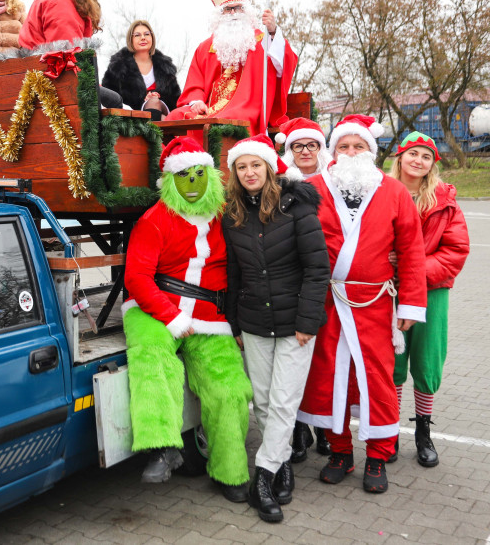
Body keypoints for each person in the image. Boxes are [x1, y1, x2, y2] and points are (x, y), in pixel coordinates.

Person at [297, 114, 427, 494]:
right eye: (343, 146)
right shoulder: (312, 188)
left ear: (372, 151)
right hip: (327, 300)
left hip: (374, 301)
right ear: (333, 151)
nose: (351, 152)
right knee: (328, 376)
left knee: (377, 378)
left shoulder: (394, 192)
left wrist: (410, 306)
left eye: (359, 146)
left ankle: (377, 454)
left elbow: (411, 252)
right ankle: (339, 452)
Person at [122, 136, 252, 503]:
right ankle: (162, 447)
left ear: (211, 175)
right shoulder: (154, 220)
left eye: (199, 174)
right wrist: (169, 316)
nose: (193, 184)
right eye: (184, 176)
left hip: (210, 315)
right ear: (170, 182)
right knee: (151, 358)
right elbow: (137, 279)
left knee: (230, 389)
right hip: (155, 306)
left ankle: (230, 471)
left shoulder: (226, 215)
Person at [222, 135, 329, 523]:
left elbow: (318, 269)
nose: (249, 172)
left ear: (269, 167)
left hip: (294, 324)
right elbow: (234, 273)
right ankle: (282, 464)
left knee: (284, 401)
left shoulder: (296, 207)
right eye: (241, 167)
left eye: (256, 165)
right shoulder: (231, 214)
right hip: (252, 321)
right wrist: (235, 322)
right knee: (264, 402)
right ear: (235, 173)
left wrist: (307, 320)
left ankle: (262, 478)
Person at [388, 132, 470, 467]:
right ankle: (388, 432)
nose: (418, 161)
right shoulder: (382, 191)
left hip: (430, 292)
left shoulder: (443, 200)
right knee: (391, 361)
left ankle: (423, 432)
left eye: (426, 156)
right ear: (400, 157)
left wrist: (414, 266)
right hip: (388, 291)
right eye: (413, 154)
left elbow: (456, 250)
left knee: (426, 361)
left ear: (432, 164)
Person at [166, 0, 297, 133]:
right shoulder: (206, 48)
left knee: (228, 120)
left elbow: (282, 65)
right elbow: (194, 84)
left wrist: (273, 31)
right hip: (208, 108)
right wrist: (196, 102)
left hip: (246, 107)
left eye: (238, 7)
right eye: (228, 9)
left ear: (247, 11)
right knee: (175, 116)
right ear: (220, 14)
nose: (234, 13)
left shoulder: (261, 42)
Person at [273, 117, 333, 460]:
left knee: (323, 360)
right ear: (290, 149)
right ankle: (297, 430)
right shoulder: (282, 184)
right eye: (298, 146)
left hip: (326, 280)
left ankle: (324, 427)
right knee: (293, 364)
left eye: (311, 145)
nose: (306, 151)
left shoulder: (335, 180)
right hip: (293, 281)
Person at [101, 20, 181, 119]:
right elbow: (109, 99)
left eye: (147, 34)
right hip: (131, 118)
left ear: (152, 38)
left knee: (156, 105)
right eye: (137, 35)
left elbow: (176, 100)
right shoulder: (118, 67)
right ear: (131, 40)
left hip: (163, 111)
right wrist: (145, 101)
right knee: (160, 115)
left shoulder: (166, 68)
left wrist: (154, 99)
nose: (143, 38)